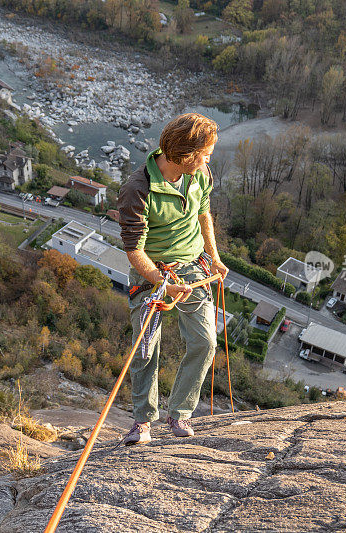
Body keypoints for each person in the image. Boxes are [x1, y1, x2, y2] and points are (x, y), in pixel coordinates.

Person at [116, 113, 228, 445]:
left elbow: (203, 213)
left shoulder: (201, 175)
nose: (209, 160)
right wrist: (160, 280)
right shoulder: (138, 189)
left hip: (192, 264)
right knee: (146, 348)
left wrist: (215, 257)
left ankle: (178, 413)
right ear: (185, 155)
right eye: (205, 153)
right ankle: (142, 421)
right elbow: (135, 250)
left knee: (206, 342)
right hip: (152, 271)